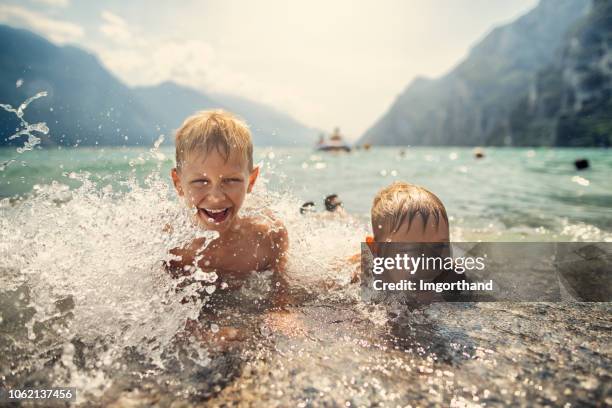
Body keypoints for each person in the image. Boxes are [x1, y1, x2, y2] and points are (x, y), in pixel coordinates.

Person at [166, 109, 289, 308]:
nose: (216, 197)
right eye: (200, 181)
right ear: (178, 184)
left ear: (251, 180)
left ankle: (360, 258)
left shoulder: (267, 237)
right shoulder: (171, 245)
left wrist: (282, 311)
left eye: (231, 180)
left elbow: (280, 286)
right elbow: (165, 306)